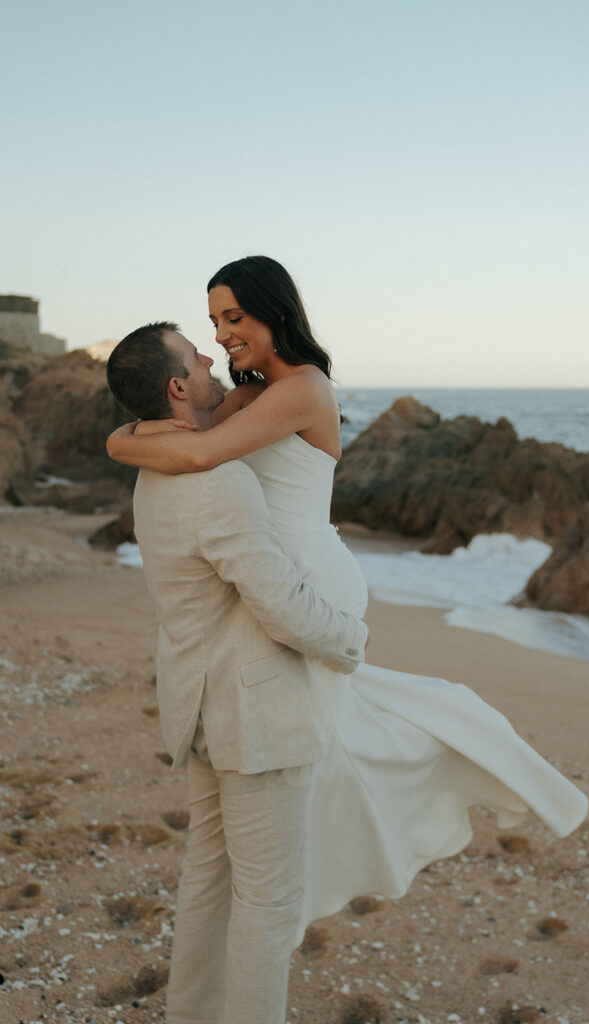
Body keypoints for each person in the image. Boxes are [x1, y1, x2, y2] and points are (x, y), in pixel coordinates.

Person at [107, 258, 589, 1024]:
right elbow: (185, 441)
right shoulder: (244, 395)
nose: (222, 336)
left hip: (294, 600)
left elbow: (191, 451)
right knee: (291, 819)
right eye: (212, 326)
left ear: (273, 313)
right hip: (269, 615)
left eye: (234, 318)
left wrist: (120, 443)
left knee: (360, 749)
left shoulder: (303, 388)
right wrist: (126, 438)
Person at [106, 321, 368, 1024]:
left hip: (195, 706)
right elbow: (279, 603)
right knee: (268, 902)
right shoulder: (219, 481)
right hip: (255, 719)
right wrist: (349, 640)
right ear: (178, 386)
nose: (209, 354)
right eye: (195, 353)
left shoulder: (154, 469)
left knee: (208, 881)